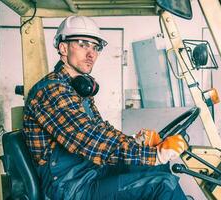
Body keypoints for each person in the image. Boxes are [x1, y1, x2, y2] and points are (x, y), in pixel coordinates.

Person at [23, 16, 188, 200]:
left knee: (156, 168)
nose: (91, 53)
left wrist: (135, 142)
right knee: (163, 185)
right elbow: (88, 138)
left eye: (95, 47)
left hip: (90, 172)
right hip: (70, 188)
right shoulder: (52, 90)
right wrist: (153, 154)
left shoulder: (76, 88)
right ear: (63, 48)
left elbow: (100, 129)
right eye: (83, 44)